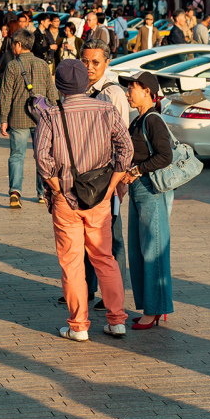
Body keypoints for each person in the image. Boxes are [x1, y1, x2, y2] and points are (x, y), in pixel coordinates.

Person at [35, 59, 133, 341]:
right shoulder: (105, 108)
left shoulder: (51, 114)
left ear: (59, 85)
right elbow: (125, 149)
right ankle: (117, 320)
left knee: (72, 262)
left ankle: (78, 326)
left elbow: (43, 158)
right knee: (105, 257)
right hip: (99, 196)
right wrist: (113, 183)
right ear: (85, 83)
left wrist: (56, 188)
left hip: (65, 198)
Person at [122, 71, 176, 329]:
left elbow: (165, 156)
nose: (127, 92)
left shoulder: (153, 120)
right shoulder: (138, 120)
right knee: (138, 250)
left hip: (150, 190)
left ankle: (155, 309)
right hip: (137, 190)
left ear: (147, 91)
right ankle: (151, 306)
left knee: (152, 250)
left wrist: (136, 171)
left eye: (132, 87)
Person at [81, 39, 129, 302]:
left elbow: (123, 143)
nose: (89, 67)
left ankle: (114, 295)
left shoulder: (113, 94)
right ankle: (85, 289)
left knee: (112, 239)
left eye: (95, 62)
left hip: (107, 177)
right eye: (85, 61)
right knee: (85, 236)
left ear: (107, 63)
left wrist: (118, 180)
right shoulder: (78, 90)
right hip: (83, 177)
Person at [0, 28, 59, 207]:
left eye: (13, 44)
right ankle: (42, 193)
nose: (12, 48)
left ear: (18, 45)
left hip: (18, 117)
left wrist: (3, 118)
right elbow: (51, 91)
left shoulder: (13, 65)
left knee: (17, 156)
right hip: (42, 118)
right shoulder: (42, 64)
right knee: (42, 156)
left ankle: (15, 191)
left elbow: (6, 94)